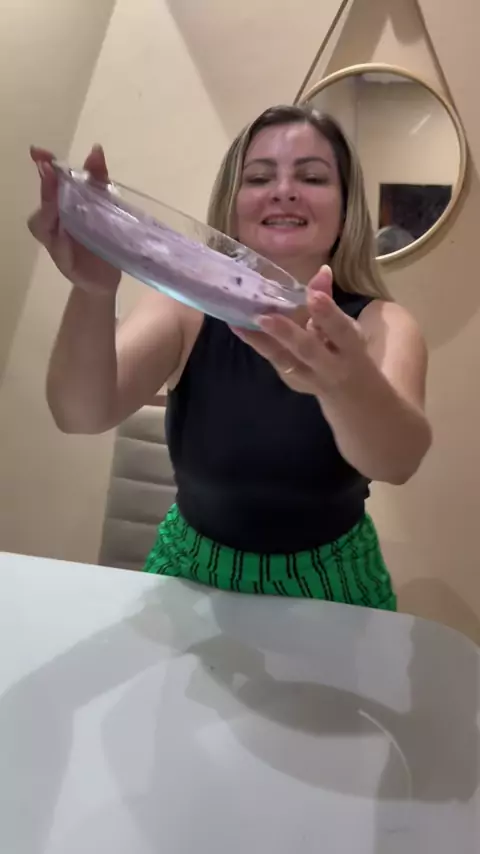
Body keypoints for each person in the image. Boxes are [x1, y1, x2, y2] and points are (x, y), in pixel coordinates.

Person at [28, 105, 432, 611]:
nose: (283, 190)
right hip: (187, 574)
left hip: (334, 587)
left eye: (311, 177)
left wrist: (343, 385)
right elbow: (81, 415)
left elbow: (398, 462)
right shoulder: (183, 309)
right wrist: (92, 289)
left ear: (346, 208)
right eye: (259, 177)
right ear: (233, 204)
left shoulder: (383, 324)